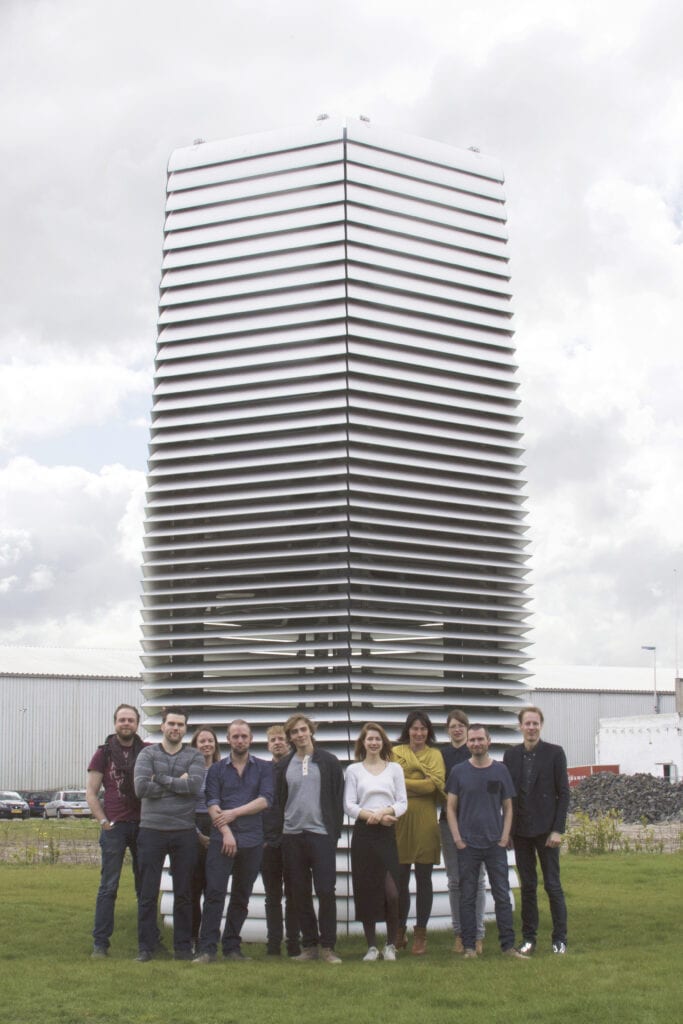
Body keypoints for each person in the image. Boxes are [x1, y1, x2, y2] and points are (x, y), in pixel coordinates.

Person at [192, 719, 273, 963]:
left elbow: (265, 800)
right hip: (221, 840)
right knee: (215, 893)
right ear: (227, 740)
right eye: (235, 736)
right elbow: (212, 803)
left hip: (252, 840)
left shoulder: (264, 768)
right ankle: (207, 949)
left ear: (250, 739)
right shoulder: (216, 769)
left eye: (243, 736)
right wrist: (226, 831)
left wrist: (235, 813)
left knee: (241, 895)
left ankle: (232, 947)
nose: (239, 740)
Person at [446, 724, 528, 959]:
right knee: (467, 895)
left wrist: (504, 836)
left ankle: (508, 947)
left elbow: (508, 806)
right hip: (468, 845)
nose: (476, 744)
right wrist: (457, 838)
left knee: (502, 895)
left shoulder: (500, 770)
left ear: (488, 741)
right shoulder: (458, 772)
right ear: (468, 744)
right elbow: (450, 808)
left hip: (495, 844)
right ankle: (469, 947)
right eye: (472, 740)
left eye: (480, 739)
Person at [133, 707, 204, 961]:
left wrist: (160, 778)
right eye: (171, 724)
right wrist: (177, 783)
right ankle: (146, 947)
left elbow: (194, 787)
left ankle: (183, 948)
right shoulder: (147, 753)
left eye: (181, 725)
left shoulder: (194, 756)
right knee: (148, 892)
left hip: (184, 831)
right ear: (162, 726)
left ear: (185, 729)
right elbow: (141, 788)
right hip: (151, 830)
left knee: (184, 892)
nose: (176, 728)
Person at [274, 714, 344, 964]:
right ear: (290, 736)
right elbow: (278, 801)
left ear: (311, 731)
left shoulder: (329, 761)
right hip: (292, 835)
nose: (300, 735)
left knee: (326, 890)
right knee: (299, 892)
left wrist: (333, 833)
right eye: (294, 732)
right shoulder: (283, 765)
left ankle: (328, 946)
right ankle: (310, 945)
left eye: (303, 730)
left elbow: (337, 799)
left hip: (321, 835)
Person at [503, 706, 570, 955]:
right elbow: (508, 796)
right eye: (527, 723)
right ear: (520, 727)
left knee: (552, 885)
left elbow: (563, 794)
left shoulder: (554, 753)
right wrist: (507, 831)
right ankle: (529, 938)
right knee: (528, 885)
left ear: (541, 725)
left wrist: (557, 830)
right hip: (521, 831)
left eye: (535, 723)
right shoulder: (511, 756)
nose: (531, 728)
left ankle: (559, 939)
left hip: (547, 831)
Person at [344, 723, 407, 962]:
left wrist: (385, 813)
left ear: (383, 743)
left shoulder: (394, 769)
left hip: (387, 831)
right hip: (364, 833)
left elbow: (402, 802)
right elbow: (349, 804)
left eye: (377, 739)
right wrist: (370, 816)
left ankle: (391, 944)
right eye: (369, 739)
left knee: (392, 892)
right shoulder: (353, 770)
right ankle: (371, 946)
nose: (373, 743)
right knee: (366, 889)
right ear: (363, 743)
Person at [86, 704, 146, 958]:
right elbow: (90, 792)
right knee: (108, 886)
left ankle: (149, 942)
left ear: (137, 724)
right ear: (115, 723)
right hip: (115, 827)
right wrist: (103, 821)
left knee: (145, 887)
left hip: (144, 826)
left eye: (130, 720)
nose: (126, 724)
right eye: (122, 719)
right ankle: (100, 943)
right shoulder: (103, 754)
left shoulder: (146, 752)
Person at [391, 710, 446, 955]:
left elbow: (435, 785)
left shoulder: (435, 754)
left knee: (424, 880)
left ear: (428, 731)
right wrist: (421, 781)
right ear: (408, 730)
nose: (419, 733)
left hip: (425, 820)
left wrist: (407, 782)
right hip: (400, 820)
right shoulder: (395, 752)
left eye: (423, 728)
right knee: (400, 880)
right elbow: (391, 783)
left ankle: (420, 934)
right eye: (415, 728)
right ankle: (398, 931)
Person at [439, 709, 486, 954]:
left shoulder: (476, 752)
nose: (457, 729)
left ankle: (477, 934)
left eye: (461, 725)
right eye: (452, 725)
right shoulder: (441, 754)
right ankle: (459, 933)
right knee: (455, 881)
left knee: (477, 881)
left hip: (476, 823)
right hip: (449, 822)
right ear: (447, 730)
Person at [261, 724, 301, 957]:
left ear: (289, 742)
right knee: (272, 895)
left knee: (294, 894)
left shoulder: (296, 768)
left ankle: (294, 943)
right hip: (269, 842)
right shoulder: (263, 770)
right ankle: (273, 944)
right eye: (273, 740)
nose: (277, 743)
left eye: (281, 739)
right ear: (268, 744)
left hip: (292, 838)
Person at [189, 726, 221, 951]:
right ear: (195, 745)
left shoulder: (222, 770)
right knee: (193, 887)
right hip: (192, 827)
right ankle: (193, 936)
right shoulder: (189, 771)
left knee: (214, 888)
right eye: (202, 741)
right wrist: (198, 835)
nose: (206, 744)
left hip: (218, 826)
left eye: (210, 741)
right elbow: (182, 805)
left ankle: (210, 937)